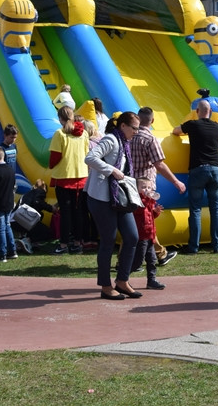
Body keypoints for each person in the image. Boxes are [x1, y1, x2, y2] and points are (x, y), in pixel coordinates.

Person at [85, 111, 142, 300]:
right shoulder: (111, 139)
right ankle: (105, 286)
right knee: (108, 240)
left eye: (138, 128)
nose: (136, 132)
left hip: (119, 198)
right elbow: (90, 158)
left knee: (132, 236)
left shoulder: (125, 143)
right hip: (101, 198)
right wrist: (112, 170)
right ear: (123, 126)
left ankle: (122, 281)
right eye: (134, 128)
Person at [130, 107, 185, 266]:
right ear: (152, 121)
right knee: (146, 222)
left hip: (130, 183)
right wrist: (176, 181)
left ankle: (157, 254)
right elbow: (159, 164)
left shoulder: (130, 136)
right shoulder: (150, 139)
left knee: (136, 221)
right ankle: (157, 255)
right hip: (146, 186)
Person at [173, 100, 218, 253]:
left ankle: (193, 246)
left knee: (195, 209)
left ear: (197, 111)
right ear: (210, 112)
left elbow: (176, 131)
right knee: (216, 209)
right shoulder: (217, 127)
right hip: (215, 169)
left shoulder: (192, 124)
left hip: (198, 169)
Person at [49, 106, 89, 255]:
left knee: (65, 213)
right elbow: (87, 153)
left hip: (64, 176)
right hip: (81, 176)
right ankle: (78, 243)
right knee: (79, 212)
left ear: (60, 118)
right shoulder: (84, 133)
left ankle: (64, 244)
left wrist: (51, 165)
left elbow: (55, 156)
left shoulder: (59, 133)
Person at [132, 177, 166, 290]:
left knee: (152, 260)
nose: (146, 189)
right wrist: (148, 199)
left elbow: (150, 217)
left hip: (150, 235)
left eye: (148, 187)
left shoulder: (150, 202)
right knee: (138, 261)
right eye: (143, 187)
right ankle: (122, 278)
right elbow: (139, 211)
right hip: (141, 236)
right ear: (137, 189)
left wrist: (156, 212)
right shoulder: (137, 200)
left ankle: (151, 280)